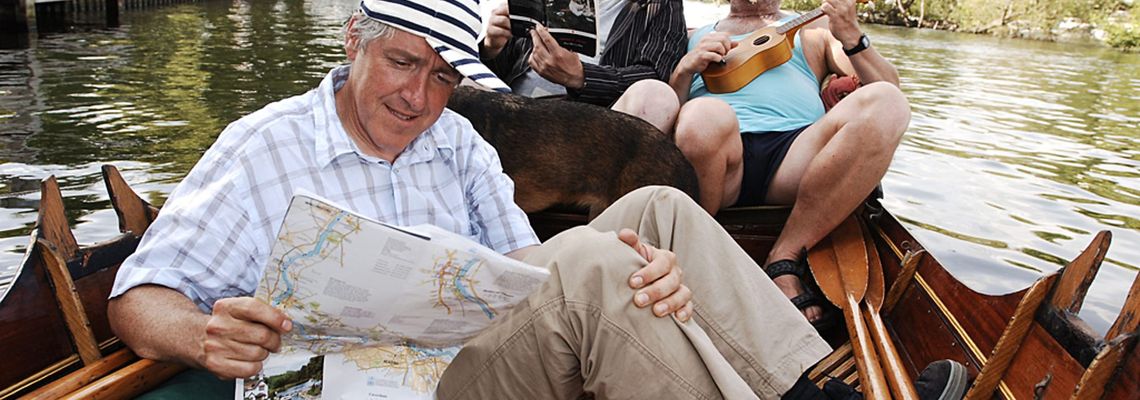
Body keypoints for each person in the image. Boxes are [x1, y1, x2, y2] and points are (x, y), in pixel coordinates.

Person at [106, 0, 836, 398]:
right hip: (357, 389)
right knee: (592, 263)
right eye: (401, 63)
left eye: (444, 79)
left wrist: (642, 266)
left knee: (663, 215)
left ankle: (819, 398)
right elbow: (135, 299)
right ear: (354, 37)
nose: (419, 99)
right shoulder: (263, 146)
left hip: (467, 365)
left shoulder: (457, 141)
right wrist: (201, 336)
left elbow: (525, 263)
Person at [667, 0, 910, 329]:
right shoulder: (694, 35)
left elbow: (889, 85)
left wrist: (851, 34)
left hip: (797, 155)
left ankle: (784, 256)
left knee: (888, 103)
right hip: (716, 160)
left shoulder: (815, 30)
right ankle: (700, 256)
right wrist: (683, 71)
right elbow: (667, 115)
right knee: (702, 115)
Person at [480, 0, 686, 133]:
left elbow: (655, 73)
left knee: (656, 96)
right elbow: (497, 68)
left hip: (591, 127)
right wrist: (492, 47)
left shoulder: (659, 5)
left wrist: (581, 76)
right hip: (514, 110)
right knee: (462, 80)